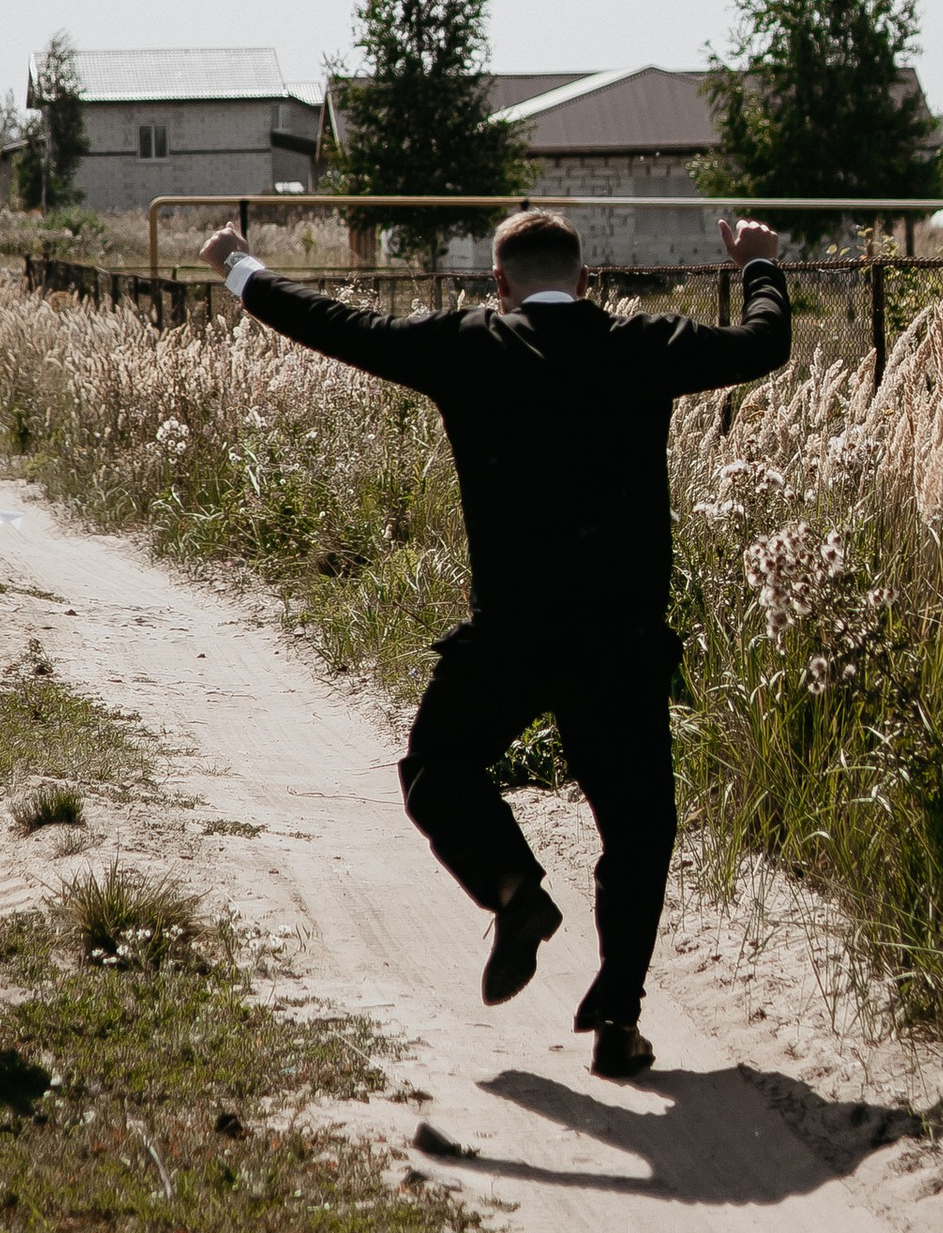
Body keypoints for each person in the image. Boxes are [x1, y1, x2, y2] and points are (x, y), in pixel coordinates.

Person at [201, 204, 790, 1076]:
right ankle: (618, 1023)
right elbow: (763, 344)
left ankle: (516, 892)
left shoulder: (468, 345)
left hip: (513, 634)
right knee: (638, 830)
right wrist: (760, 264)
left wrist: (241, 266)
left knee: (436, 768)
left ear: (500, 283)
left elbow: (335, 324)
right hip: (619, 641)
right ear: (585, 281)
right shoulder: (644, 345)